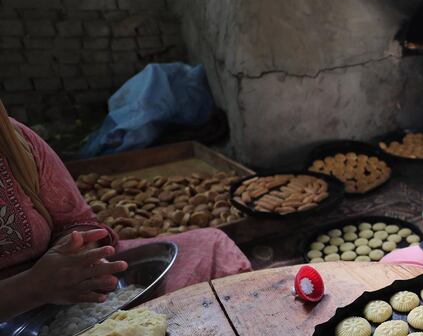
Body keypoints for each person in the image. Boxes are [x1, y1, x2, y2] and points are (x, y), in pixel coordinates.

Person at [0, 100, 251, 321]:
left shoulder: (15, 142)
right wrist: (34, 286)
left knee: (211, 245)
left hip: (73, 281)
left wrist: (75, 250)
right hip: (15, 317)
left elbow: (77, 220)